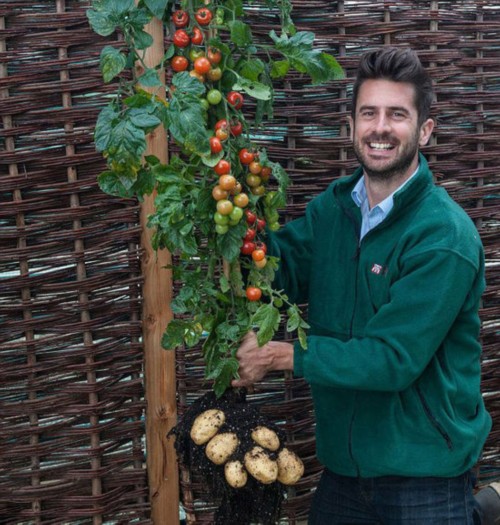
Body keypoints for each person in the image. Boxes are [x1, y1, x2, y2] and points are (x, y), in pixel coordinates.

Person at [232, 47, 492, 524]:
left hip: (424, 478)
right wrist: (230, 230)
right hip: (344, 474)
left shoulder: (443, 236)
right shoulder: (333, 210)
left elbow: (393, 359)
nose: (380, 128)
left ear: (424, 130)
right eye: (368, 113)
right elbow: (275, 271)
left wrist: (280, 354)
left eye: (397, 114)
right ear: (350, 126)